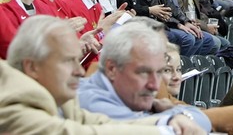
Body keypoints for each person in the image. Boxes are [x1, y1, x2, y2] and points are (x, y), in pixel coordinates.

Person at [2, 15, 202, 134]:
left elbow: (102, 123)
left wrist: (165, 121)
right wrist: (166, 130)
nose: (79, 71)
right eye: (67, 61)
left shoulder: (62, 99)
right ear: (32, 67)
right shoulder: (12, 100)